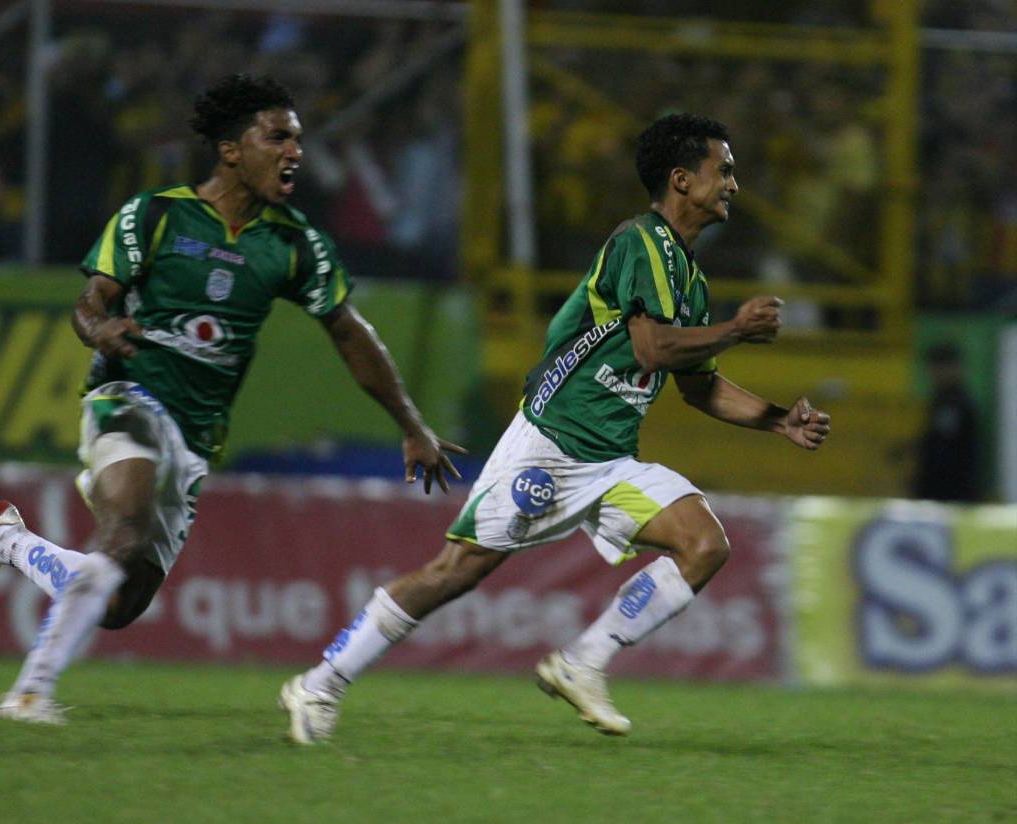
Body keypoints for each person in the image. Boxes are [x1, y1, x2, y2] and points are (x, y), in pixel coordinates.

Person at [279, 113, 832, 744]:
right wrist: (734, 331)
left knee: (705, 543)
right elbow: (652, 350)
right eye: (724, 170)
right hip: (553, 443)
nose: (735, 183)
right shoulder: (639, 243)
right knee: (454, 573)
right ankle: (321, 682)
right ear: (683, 179)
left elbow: (698, 385)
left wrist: (779, 419)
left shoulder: (690, 280)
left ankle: (582, 662)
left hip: (612, 460)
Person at [0, 74, 464, 724]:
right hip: (125, 395)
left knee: (121, 600)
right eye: (278, 136)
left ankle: (6, 540)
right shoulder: (155, 215)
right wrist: (100, 327)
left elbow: (350, 334)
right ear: (231, 149)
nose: (295, 151)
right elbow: (91, 299)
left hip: (195, 434)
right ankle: (29, 692)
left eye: (298, 138)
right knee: (120, 530)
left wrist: (411, 424)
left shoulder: (294, 244)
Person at [913, 342, 981, 502]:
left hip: (951, 493)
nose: (932, 374)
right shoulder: (944, 399)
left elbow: (943, 448)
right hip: (945, 491)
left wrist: (925, 485)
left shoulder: (955, 403)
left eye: (937, 367)